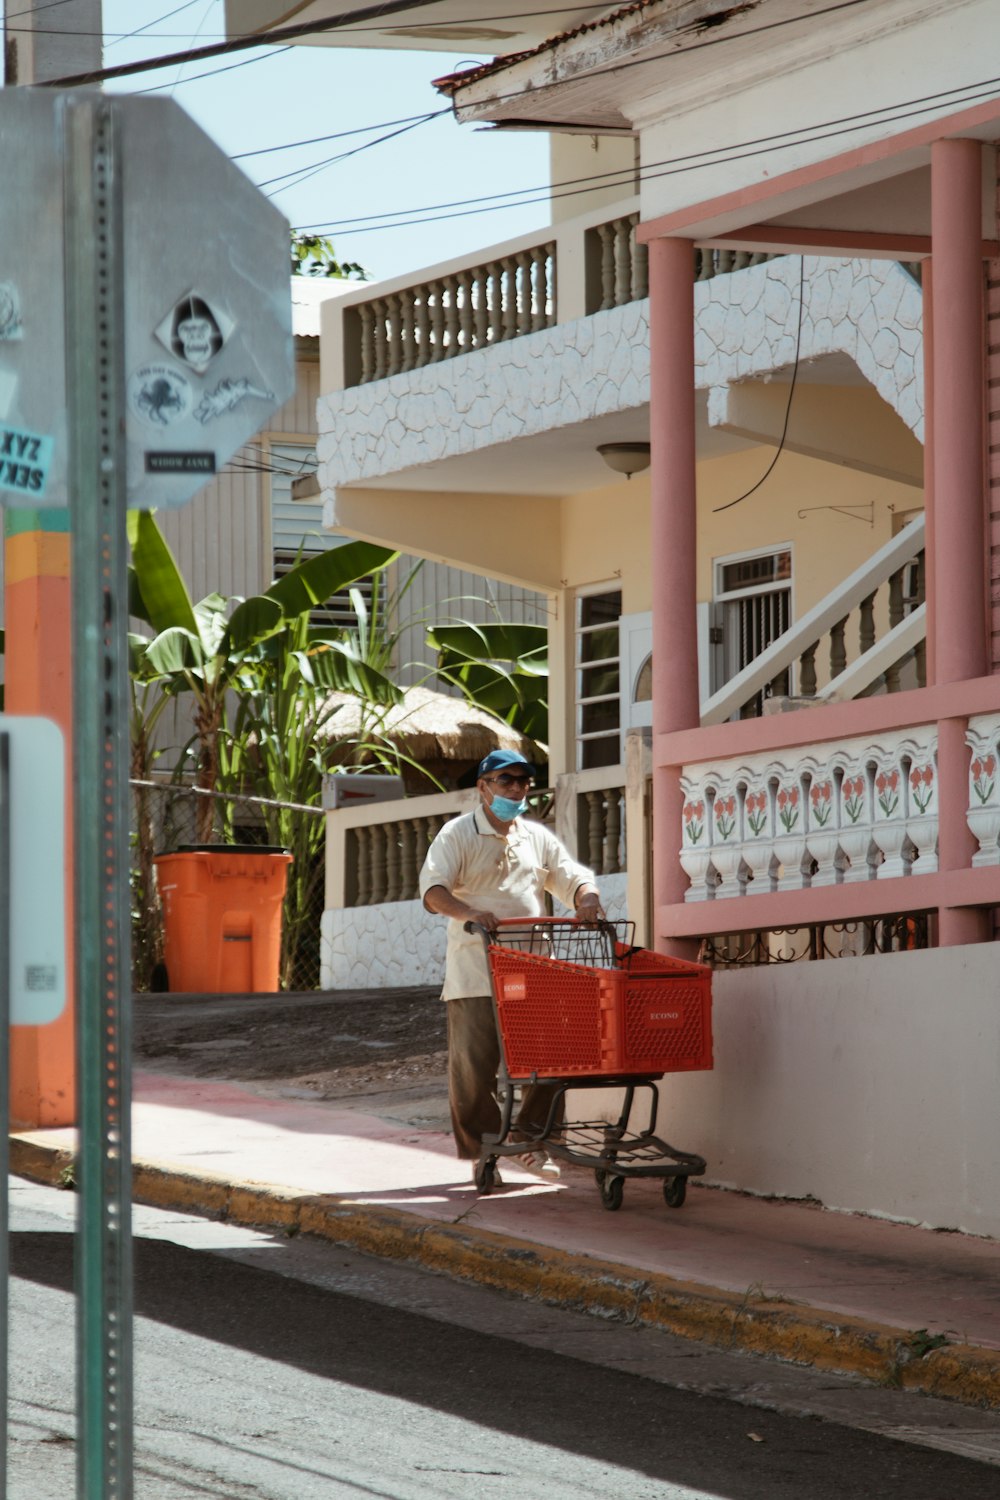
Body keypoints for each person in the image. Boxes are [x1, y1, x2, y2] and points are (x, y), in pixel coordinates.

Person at [419, 748, 604, 1183]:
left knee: (552, 1058)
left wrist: (587, 898)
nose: (517, 789)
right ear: (483, 787)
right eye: (506, 781)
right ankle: (486, 1147)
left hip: (533, 967)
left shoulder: (535, 837)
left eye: (523, 781)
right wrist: (468, 914)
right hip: (476, 972)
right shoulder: (457, 834)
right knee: (473, 1071)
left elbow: (571, 876)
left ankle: (528, 1138)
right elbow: (432, 891)